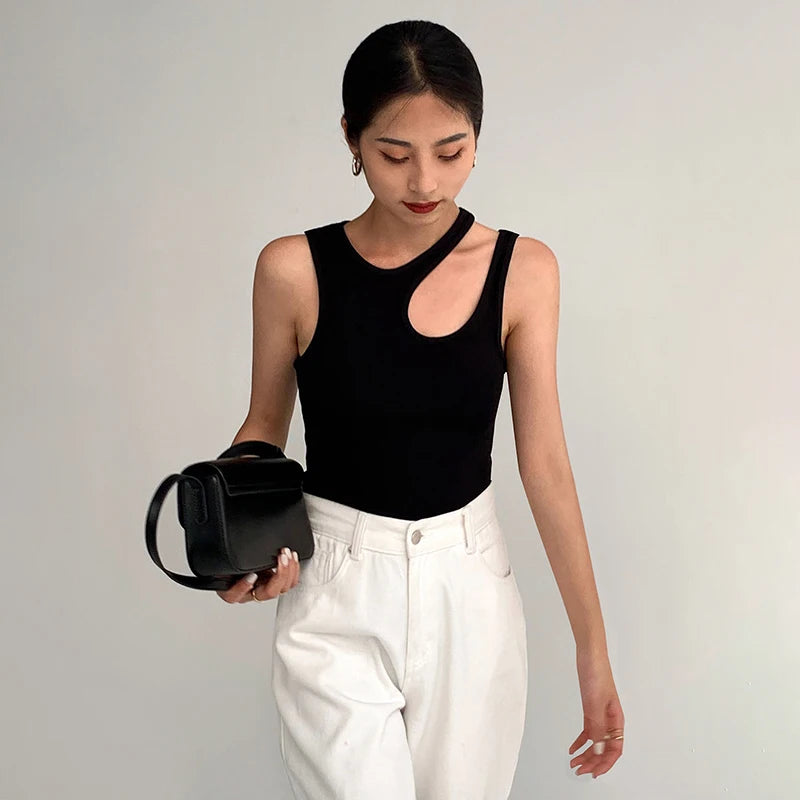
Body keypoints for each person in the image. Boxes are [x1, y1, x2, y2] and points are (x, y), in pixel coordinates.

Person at [217, 19, 624, 799]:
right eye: (394, 155)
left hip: (469, 588)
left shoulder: (523, 270)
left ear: (478, 137)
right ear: (352, 138)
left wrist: (592, 649)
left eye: (451, 150)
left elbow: (545, 466)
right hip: (333, 586)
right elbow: (262, 429)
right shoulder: (293, 270)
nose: (425, 182)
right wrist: (236, 544)